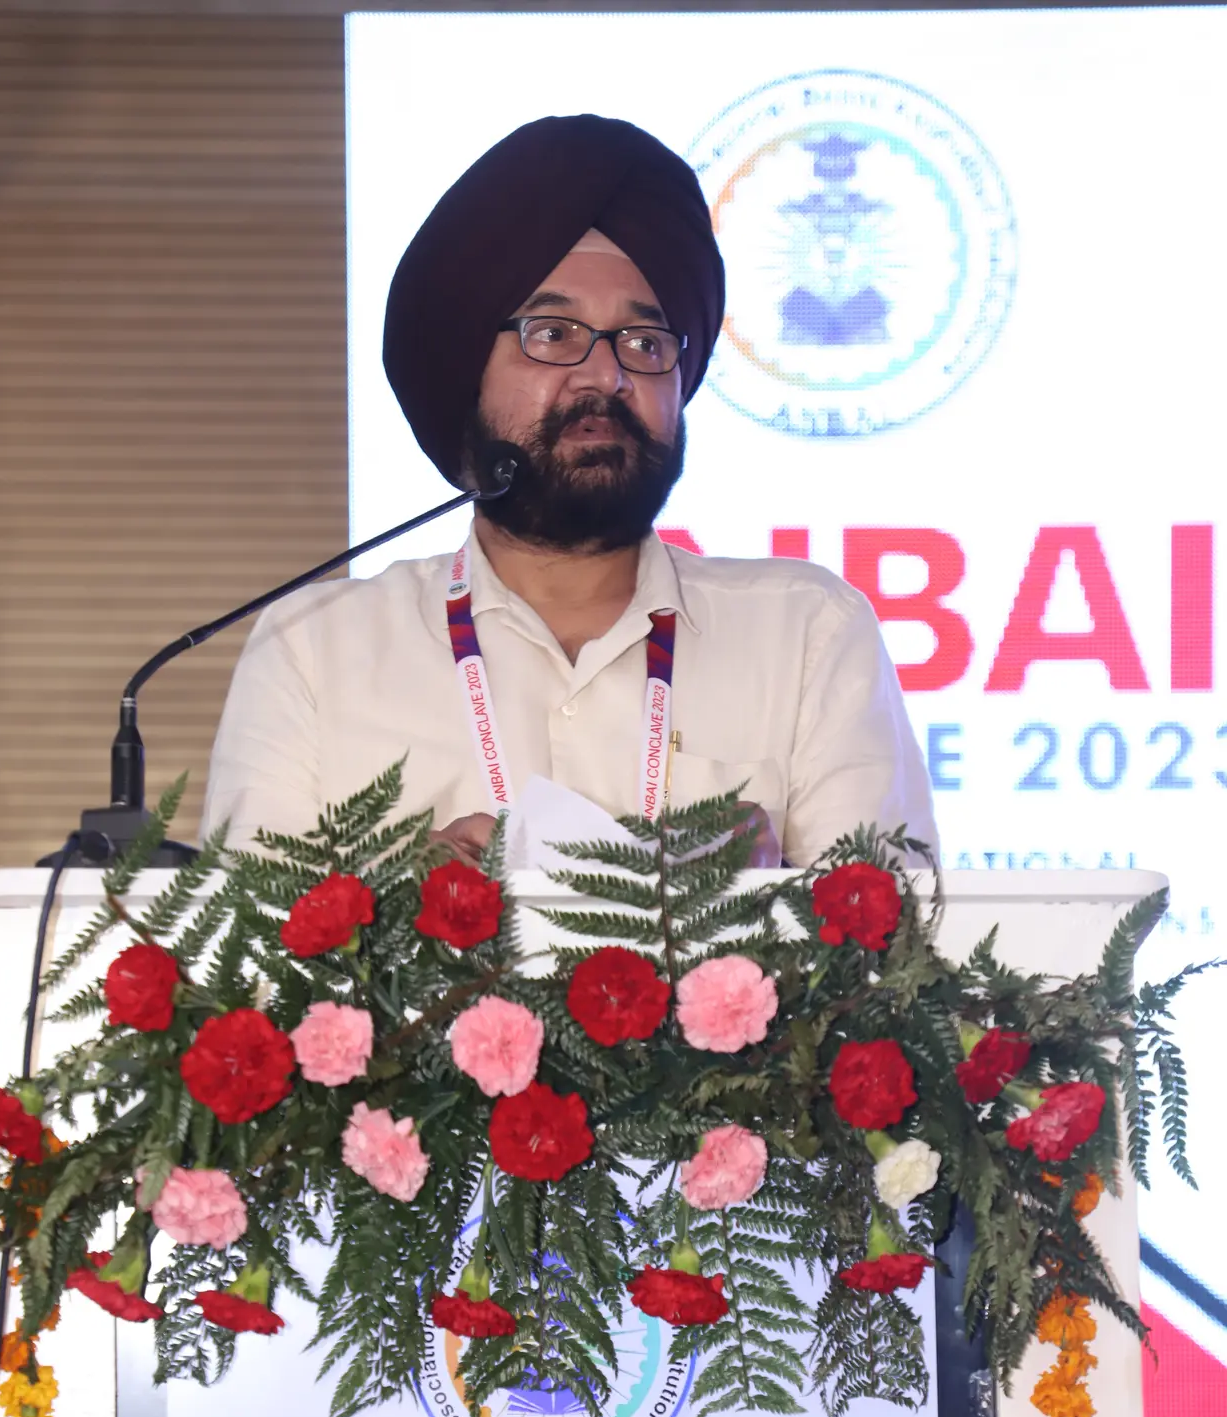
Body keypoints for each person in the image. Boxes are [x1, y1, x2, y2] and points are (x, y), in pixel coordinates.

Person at [202, 114, 936, 868]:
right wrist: (390, 907)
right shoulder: (315, 649)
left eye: (644, 343)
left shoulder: (807, 632)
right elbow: (245, 932)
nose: (606, 376)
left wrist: (765, 897)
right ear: (468, 374)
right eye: (553, 334)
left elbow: (896, 929)